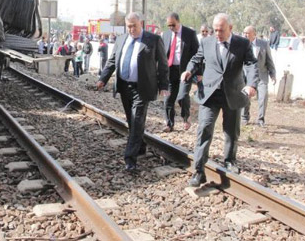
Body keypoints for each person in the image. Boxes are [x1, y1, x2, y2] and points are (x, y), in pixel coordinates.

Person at [181, 13, 258, 187]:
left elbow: (251, 64)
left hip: (232, 93)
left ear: (230, 28)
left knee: (231, 131)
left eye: (221, 30)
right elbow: (196, 59)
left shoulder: (242, 43)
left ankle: (230, 160)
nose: (217, 33)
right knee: (204, 130)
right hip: (210, 94)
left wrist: (251, 84)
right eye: (215, 30)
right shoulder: (207, 42)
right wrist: (189, 70)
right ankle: (199, 171)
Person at [97, 12, 169, 171]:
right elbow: (112, 61)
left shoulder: (154, 40)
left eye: (134, 26)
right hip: (124, 86)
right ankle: (141, 145)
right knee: (132, 120)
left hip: (142, 88)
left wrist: (164, 86)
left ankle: (130, 159)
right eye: (128, 26)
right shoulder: (121, 39)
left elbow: (163, 65)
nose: (131, 29)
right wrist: (103, 79)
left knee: (137, 120)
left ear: (140, 24)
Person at [162, 13, 199, 132]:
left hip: (185, 71)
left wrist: (198, 72)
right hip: (170, 71)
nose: (171, 28)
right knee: (168, 99)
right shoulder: (166, 34)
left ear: (178, 21)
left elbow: (198, 54)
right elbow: (162, 54)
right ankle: (169, 123)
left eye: (173, 25)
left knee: (182, 96)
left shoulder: (189, 33)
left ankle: (185, 118)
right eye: (169, 25)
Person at [241, 26, 276, 127]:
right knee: (245, 97)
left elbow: (269, 60)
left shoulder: (263, 44)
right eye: (244, 33)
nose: (245, 35)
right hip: (247, 77)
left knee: (263, 97)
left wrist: (272, 74)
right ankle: (244, 117)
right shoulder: (242, 44)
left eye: (247, 33)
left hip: (262, 75)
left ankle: (260, 119)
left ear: (254, 34)